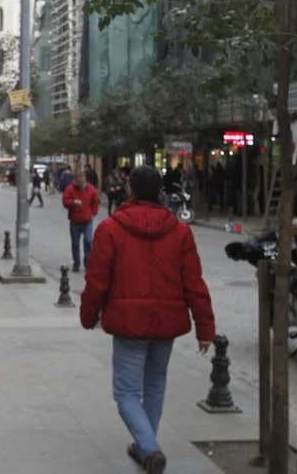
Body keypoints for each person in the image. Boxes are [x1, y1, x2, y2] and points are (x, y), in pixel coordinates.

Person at [79, 166, 216, 474]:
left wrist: (89, 316)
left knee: (126, 391)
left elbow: (97, 280)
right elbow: (194, 282)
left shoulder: (111, 228)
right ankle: (145, 445)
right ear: (160, 193)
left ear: (130, 190)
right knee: (155, 383)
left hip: (129, 322)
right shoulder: (180, 231)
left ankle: (149, 447)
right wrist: (205, 328)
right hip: (166, 322)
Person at [62, 171, 100, 272]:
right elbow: (65, 202)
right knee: (75, 243)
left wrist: (94, 213)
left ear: (85, 179)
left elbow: (95, 202)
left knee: (88, 241)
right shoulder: (70, 189)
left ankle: (87, 260)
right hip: (75, 221)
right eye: (78, 180)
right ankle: (76, 262)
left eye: (82, 179)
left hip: (87, 221)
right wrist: (73, 202)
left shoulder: (91, 190)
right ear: (75, 180)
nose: (80, 182)